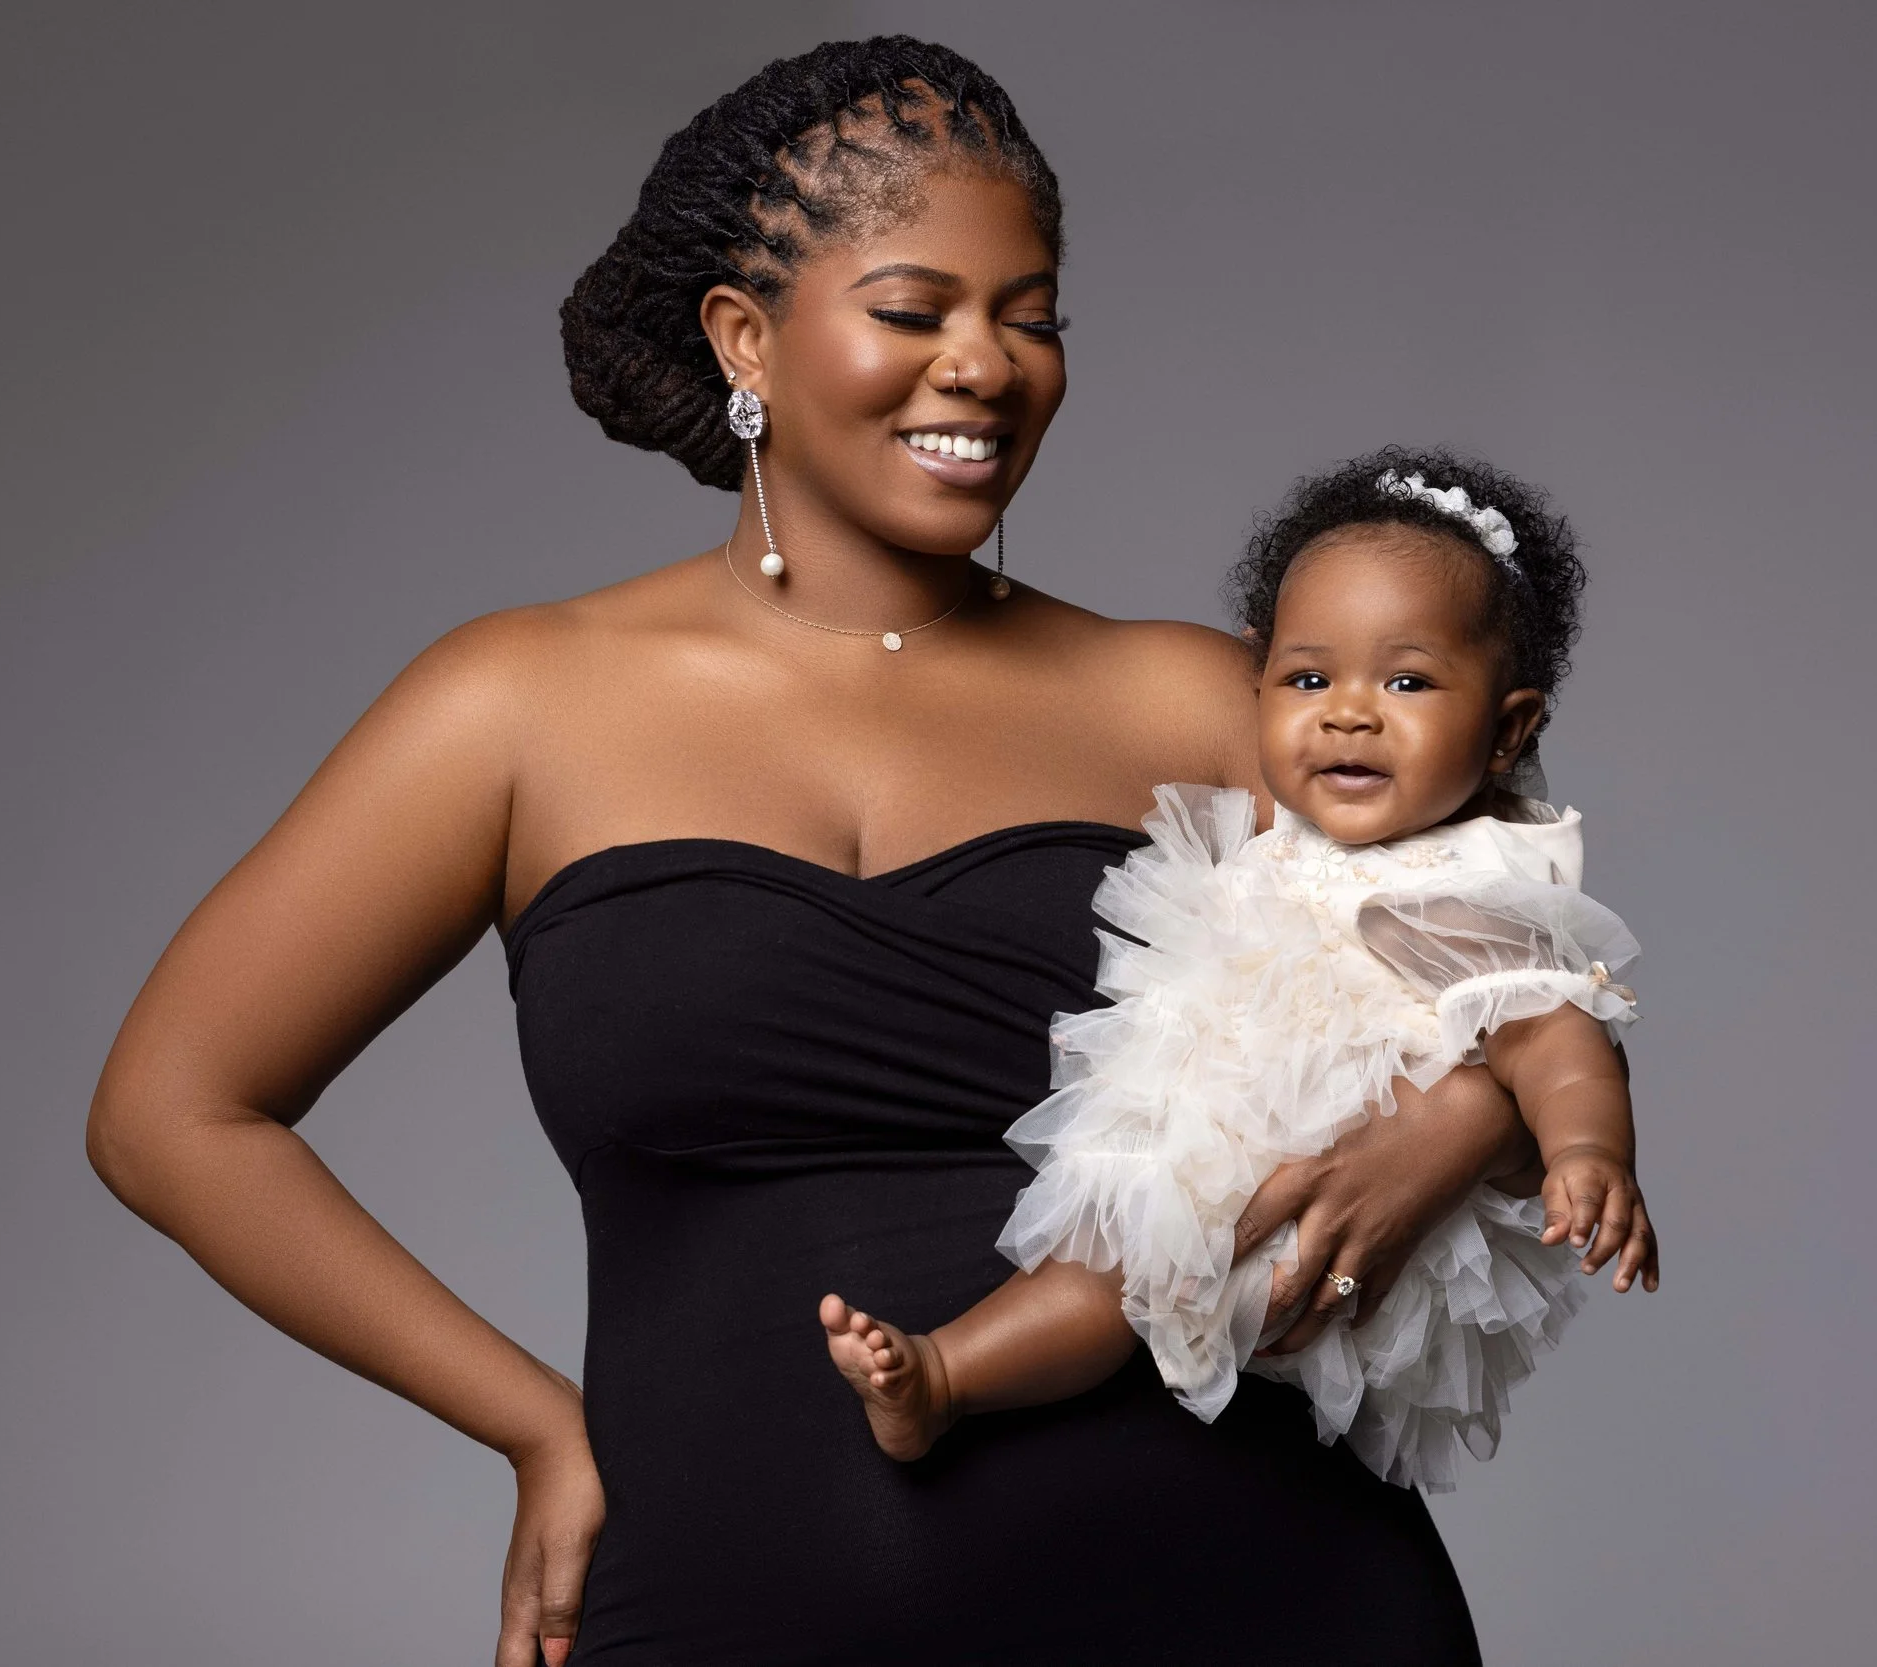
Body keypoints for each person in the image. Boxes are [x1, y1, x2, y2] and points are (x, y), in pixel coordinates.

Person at [88, 37, 1538, 1664]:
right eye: (915, 312)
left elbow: (1536, 996)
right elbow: (172, 1113)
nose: (985, 365)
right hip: (729, 1597)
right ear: (744, 338)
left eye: (1032, 314)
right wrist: (534, 1426)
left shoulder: (1205, 698)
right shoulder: (514, 707)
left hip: (1262, 1598)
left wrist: (1465, 1121)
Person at [820, 448, 1661, 1491]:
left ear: (1508, 729)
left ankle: (970, 1375)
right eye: (1309, 678)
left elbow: (1552, 1031)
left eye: (1406, 681)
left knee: (1140, 1281)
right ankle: (944, 1376)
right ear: (1254, 680)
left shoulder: (1469, 879)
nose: (1348, 711)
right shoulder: (1271, 829)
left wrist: (1588, 1150)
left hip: (1327, 1207)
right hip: (1208, 1153)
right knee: (1103, 1265)